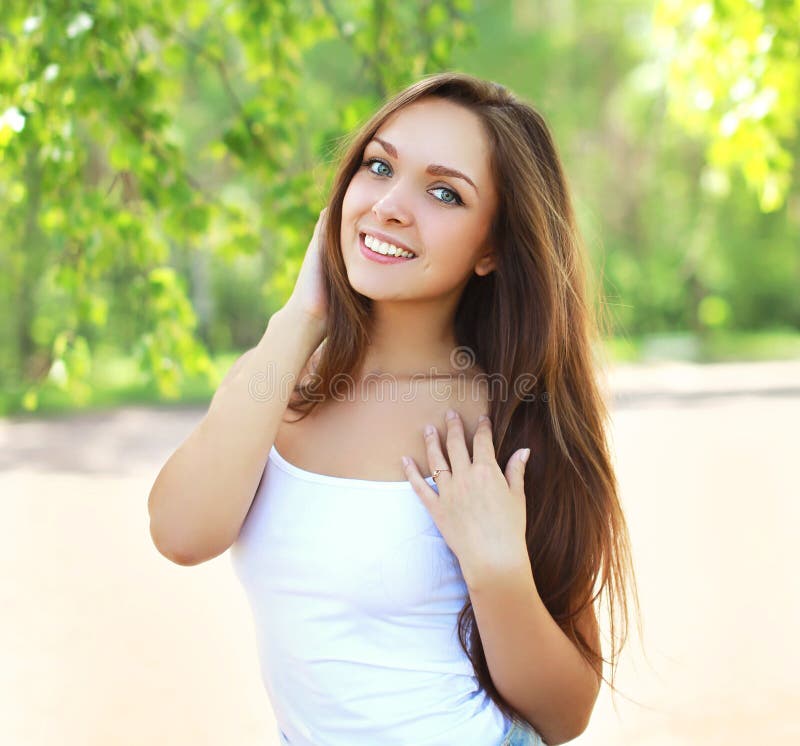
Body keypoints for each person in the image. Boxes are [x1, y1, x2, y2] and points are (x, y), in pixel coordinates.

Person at [148, 71, 639, 746]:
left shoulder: (513, 416)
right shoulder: (279, 382)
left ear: (493, 247)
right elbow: (180, 533)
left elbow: (564, 714)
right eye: (378, 166)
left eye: (444, 192)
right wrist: (300, 318)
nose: (389, 206)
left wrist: (496, 568)